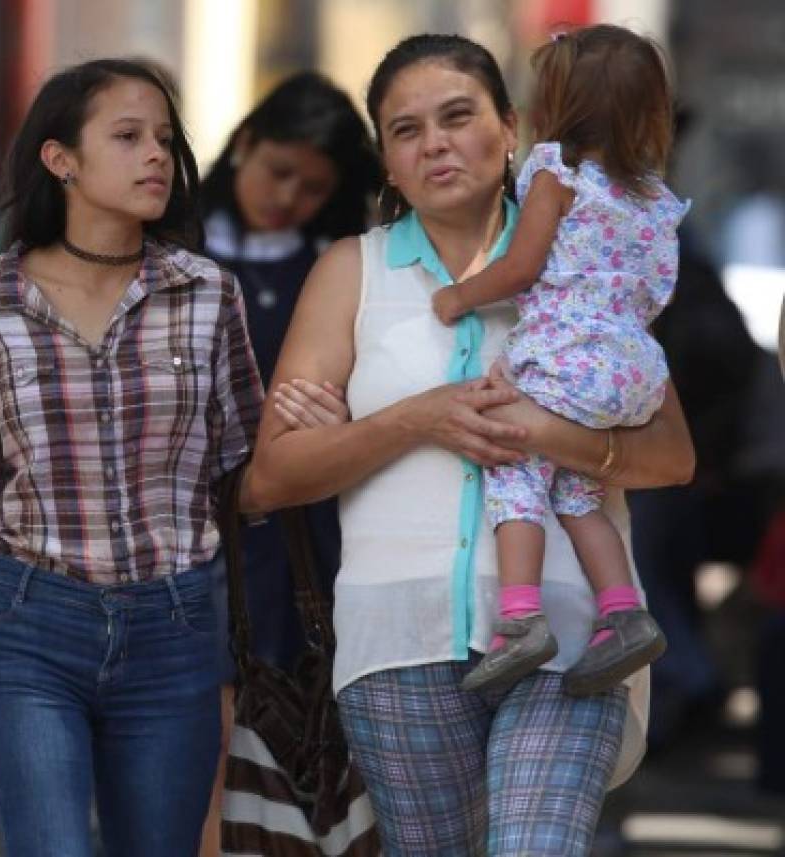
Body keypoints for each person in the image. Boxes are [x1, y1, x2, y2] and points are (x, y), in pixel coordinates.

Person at [242, 34, 695, 856]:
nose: (435, 143)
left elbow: (673, 455)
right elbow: (270, 478)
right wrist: (416, 418)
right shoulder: (353, 270)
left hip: (573, 632)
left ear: (513, 128)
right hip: (396, 641)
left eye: (457, 116)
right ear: (386, 161)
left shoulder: (587, 246)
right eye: (406, 130)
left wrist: (542, 433)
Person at [0, 59, 263, 856]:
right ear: (60, 158)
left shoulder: (207, 294)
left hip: (174, 631)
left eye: (166, 140)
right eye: (129, 137)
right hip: (30, 626)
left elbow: (246, 475)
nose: (156, 157)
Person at [427, 25, 684, 696]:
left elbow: (521, 266)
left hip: (572, 354)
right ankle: (623, 610)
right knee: (575, 488)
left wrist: (460, 296)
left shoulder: (555, 170)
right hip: (634, 367)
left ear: (561, 102)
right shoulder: (652, 195)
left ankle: (520, 619)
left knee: (512, 467)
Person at [195, 70, 379, 855]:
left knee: (285, 739)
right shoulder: (174, 252)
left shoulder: (341, 268)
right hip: (191, 533)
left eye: (312, 187)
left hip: (304, 538)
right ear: (242, 145)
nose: (287, 196)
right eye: (278, 171)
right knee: (202, 733)